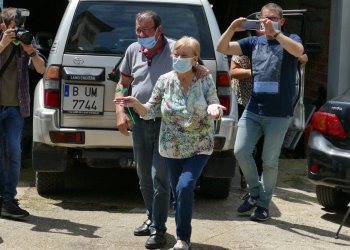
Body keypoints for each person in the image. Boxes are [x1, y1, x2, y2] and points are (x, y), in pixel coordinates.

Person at [115, 36, 226, 250]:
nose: (178, 58)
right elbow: (150, 111)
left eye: (184, 55)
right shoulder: (165, 80)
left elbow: (214, 102)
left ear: (195, 59)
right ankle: (179, 234)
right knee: (177, 191)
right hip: (171, 146)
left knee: (185, 186)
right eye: (176, 54)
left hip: (198, 144)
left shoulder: (204, 78)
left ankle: (183, 238)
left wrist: (214, 110)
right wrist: (136, 104)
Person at [216, 3, 304, 221]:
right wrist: (231, 28)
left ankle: (263, 205)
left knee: (269, 160)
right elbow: (222, 48)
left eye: (273, 18)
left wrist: (276, 34)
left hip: (279, 113)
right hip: (254, 108)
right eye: (264, 19)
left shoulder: (291, 39)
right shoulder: (253, 42)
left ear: (281, 21)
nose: (267, 22)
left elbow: (298, 52)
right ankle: (254, 192)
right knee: (240, 150)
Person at [0, 7, 46, 218]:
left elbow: (41, 69)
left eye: (22, 26)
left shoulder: (27, 40)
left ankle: (8, 199)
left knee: (14, 152)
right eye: (15, 26)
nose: (19, 30)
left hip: (16, 107)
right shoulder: (2, 40)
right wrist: (3, 44)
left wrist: (31, 51)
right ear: (4, 25)